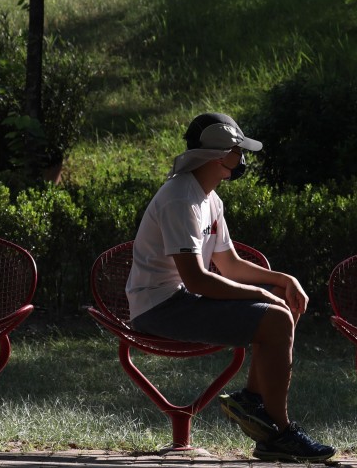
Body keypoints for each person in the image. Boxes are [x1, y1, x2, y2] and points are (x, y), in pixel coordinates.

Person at [126, 112, 336, 463]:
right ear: (218, 155)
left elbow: (230, 264)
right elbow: (196, 279)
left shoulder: (209, 198)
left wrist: (283, 281)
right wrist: (261, 294)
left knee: (279, 313)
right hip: (158, 308)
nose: (242, 160)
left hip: (181, 301)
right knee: (276, 318)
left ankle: (254, 403)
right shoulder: (181, 198)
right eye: (238, 152)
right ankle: (279, 433)